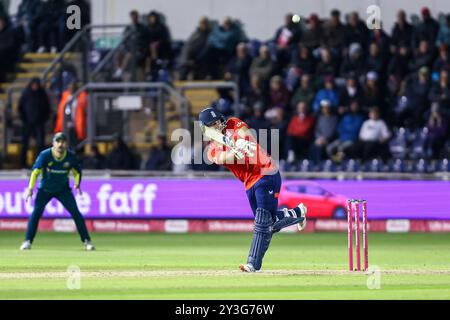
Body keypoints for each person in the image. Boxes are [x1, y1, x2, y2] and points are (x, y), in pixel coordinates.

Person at [199, 107, 307, 272]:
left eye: (218, 121)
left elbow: (246, 134)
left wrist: (242, 142)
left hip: (266, 172)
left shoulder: (233, 123)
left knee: (262, 223)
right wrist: (234, 150)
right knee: (269, 223)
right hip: (249, 182)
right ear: (205, 129)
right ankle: (297, 213)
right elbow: (222, 158)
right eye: (212, 124)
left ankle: (253, 264)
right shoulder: (211, 150)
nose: (217, 125)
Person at [20, 132, 95, 251]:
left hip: (63, 190)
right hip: (45, 190)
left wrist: (77, 184)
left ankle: (87, 241)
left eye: (63, 142)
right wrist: (30, 188)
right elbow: (35, 172)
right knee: (35, 214)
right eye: (58, 141)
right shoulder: (45, 155)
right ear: (53, 143)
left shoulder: (70, 157)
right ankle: (28, 241)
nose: (60, 144)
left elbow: (76, 172)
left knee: (76, 213)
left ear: (66, 144)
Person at [18, 78, 51, 168]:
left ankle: (40, 163)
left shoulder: (42, 94)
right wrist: (24, 119)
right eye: (34, 84)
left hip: (39, 123)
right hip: (27, 123)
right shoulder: (26, 94)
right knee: (25, 143)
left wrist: (44, 119)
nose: (35, 86)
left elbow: (47, 108)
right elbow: (20, 107)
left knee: (40, 144)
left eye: (37, 84)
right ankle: (23, 163)